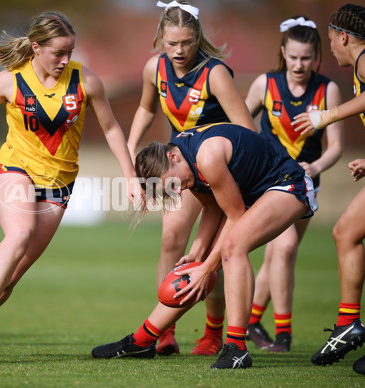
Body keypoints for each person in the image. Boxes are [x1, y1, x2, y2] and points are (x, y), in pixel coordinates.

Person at [0, 11, 138, 359]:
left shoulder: (87, 81)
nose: (66, 60)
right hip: (13, 170)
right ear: (36, 48)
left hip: (59, 185)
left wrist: (129, 176)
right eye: (58, 53)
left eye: (71, 52)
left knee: (11, 276)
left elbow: (111, 129)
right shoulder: (8, 81)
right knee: (19, 235)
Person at [92, 122, 316, 369]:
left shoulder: (206, 157)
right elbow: (211, 207)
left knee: (233, 247)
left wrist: (207, 268)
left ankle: (237, 348)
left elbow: (235, 214)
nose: (177, 191)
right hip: (255, 193)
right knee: (200, 265)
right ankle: (141, 341)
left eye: (173, 185)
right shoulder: (184, 163)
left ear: (172, 156)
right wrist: (197, 255)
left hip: (287, 183)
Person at [126, 0, 256, 356]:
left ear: (197, 36)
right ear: (160, 39)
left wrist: (216, 152)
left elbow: (247, 129)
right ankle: (164, 333)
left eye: (186, 42)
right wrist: (129, 145)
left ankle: (214, 332)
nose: (179, 50)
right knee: (171, 242)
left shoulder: (215, 73)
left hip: (220, 173)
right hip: (181, 172)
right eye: (172, 44)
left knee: (216, 253)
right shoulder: (154, 68)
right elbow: (144, 107)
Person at [293, 3, 365, 376]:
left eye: (330, 38)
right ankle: (348, 323)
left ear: (343, 36)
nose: (329, 46)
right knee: (345, 231)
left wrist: (327, 116)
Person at [243, 16, 344, 352]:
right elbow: (241, 123)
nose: (299, 65)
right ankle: (283, 334)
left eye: (306, 58)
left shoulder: (328, 89)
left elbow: (336, 148)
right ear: (283, 53)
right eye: (293, 57)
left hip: (306, 184)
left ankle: (251, 321)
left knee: (279, 256)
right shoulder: (264, 84)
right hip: (269, 181)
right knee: (283, 250)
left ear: (316, 57)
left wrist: (312, 167)